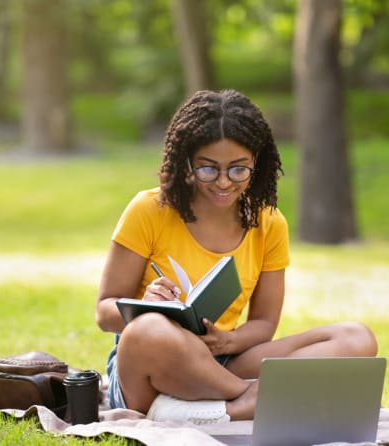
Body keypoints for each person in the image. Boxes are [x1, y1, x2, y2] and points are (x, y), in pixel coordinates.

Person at [95, 89, 378, 424]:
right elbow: (104, 311)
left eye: (238, 169)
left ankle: (224, 409)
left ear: (256, 165)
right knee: (148, 330)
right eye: (208, 169)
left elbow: (264, 324)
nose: (224, 182)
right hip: (150, 368)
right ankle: (255, 398)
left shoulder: (269, 223)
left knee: (356, 338)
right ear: (187, 162)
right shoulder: (149, 210)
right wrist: (144, 304)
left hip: (221, 361)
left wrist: (227, 340)